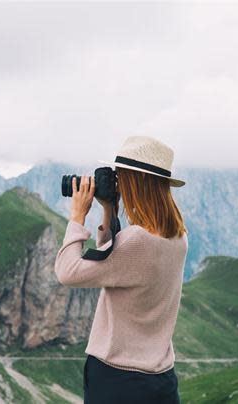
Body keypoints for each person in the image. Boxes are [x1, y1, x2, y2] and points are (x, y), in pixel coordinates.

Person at [54, 135, 188, 404]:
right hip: (160, 379)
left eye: (121, 176)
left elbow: (68, 272)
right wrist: (109, 209)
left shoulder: (137, 240)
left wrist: (77, 216)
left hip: (118, 378)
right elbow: (115, 260)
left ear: (135, 182)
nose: (117, 182)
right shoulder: (178, 235)